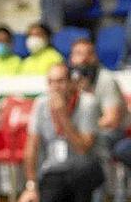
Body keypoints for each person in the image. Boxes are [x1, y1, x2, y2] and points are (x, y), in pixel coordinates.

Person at [18, 64, 103, 202]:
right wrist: (31, 186)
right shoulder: (41, 104)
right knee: (49, 189)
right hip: (54, 170)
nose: (55, 86)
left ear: (71, 82)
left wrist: (63, 116)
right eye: (51, 82)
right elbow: (31, 147)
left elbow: (83, 148)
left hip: (85, 168)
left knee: (80, 176)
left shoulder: (87, 103)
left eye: (60, 81)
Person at [68, 40, 129, 161]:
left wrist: (84, 131)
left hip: (114, 132)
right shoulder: (69, 81)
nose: (84, 59)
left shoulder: (106, 79)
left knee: (102, 138)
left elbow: (112, 120)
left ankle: (104, 178)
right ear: (71, 58)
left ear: (95, 57)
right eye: (79, 54)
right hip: (83, 131)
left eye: (89, 54)